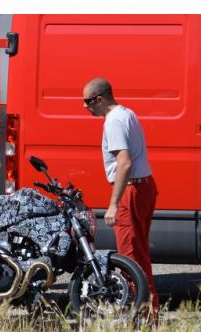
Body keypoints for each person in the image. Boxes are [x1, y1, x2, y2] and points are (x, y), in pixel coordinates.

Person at [82, 78, 159, 314]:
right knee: (140, 253)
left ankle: (142, 314)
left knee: (130, 258)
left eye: (88, 101)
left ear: (100, 99)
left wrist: (114, 204)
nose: (85, 107)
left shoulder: (113, 122)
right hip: (145, 185)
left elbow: (124, 163)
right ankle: (150, 310)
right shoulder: (127, 113)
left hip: (131, 188)